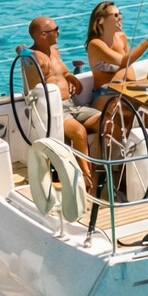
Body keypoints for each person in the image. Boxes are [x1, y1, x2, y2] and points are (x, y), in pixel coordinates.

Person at [22, 16, 98, 193]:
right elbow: (21, 53)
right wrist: (22, 51)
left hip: (73, 105)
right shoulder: (32, 59)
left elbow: (62, 69)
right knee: (79, 132)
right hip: (55, 111)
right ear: (42, 35)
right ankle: (87, 180)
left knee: (106, 120)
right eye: (55, 30)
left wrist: (70, 76)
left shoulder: (53, 49)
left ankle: (100, 170)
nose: (58, 32)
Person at [85, 1, 148, 109]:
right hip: (105, 93)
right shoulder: (95, 44)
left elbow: (128, 65)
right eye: (116, 15)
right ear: (100, 20)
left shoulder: (121, 37)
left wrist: (140, 83)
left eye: (120, 14)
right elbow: (124, 61)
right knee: (125, 108)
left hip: (127, 89)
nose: (120, 18)